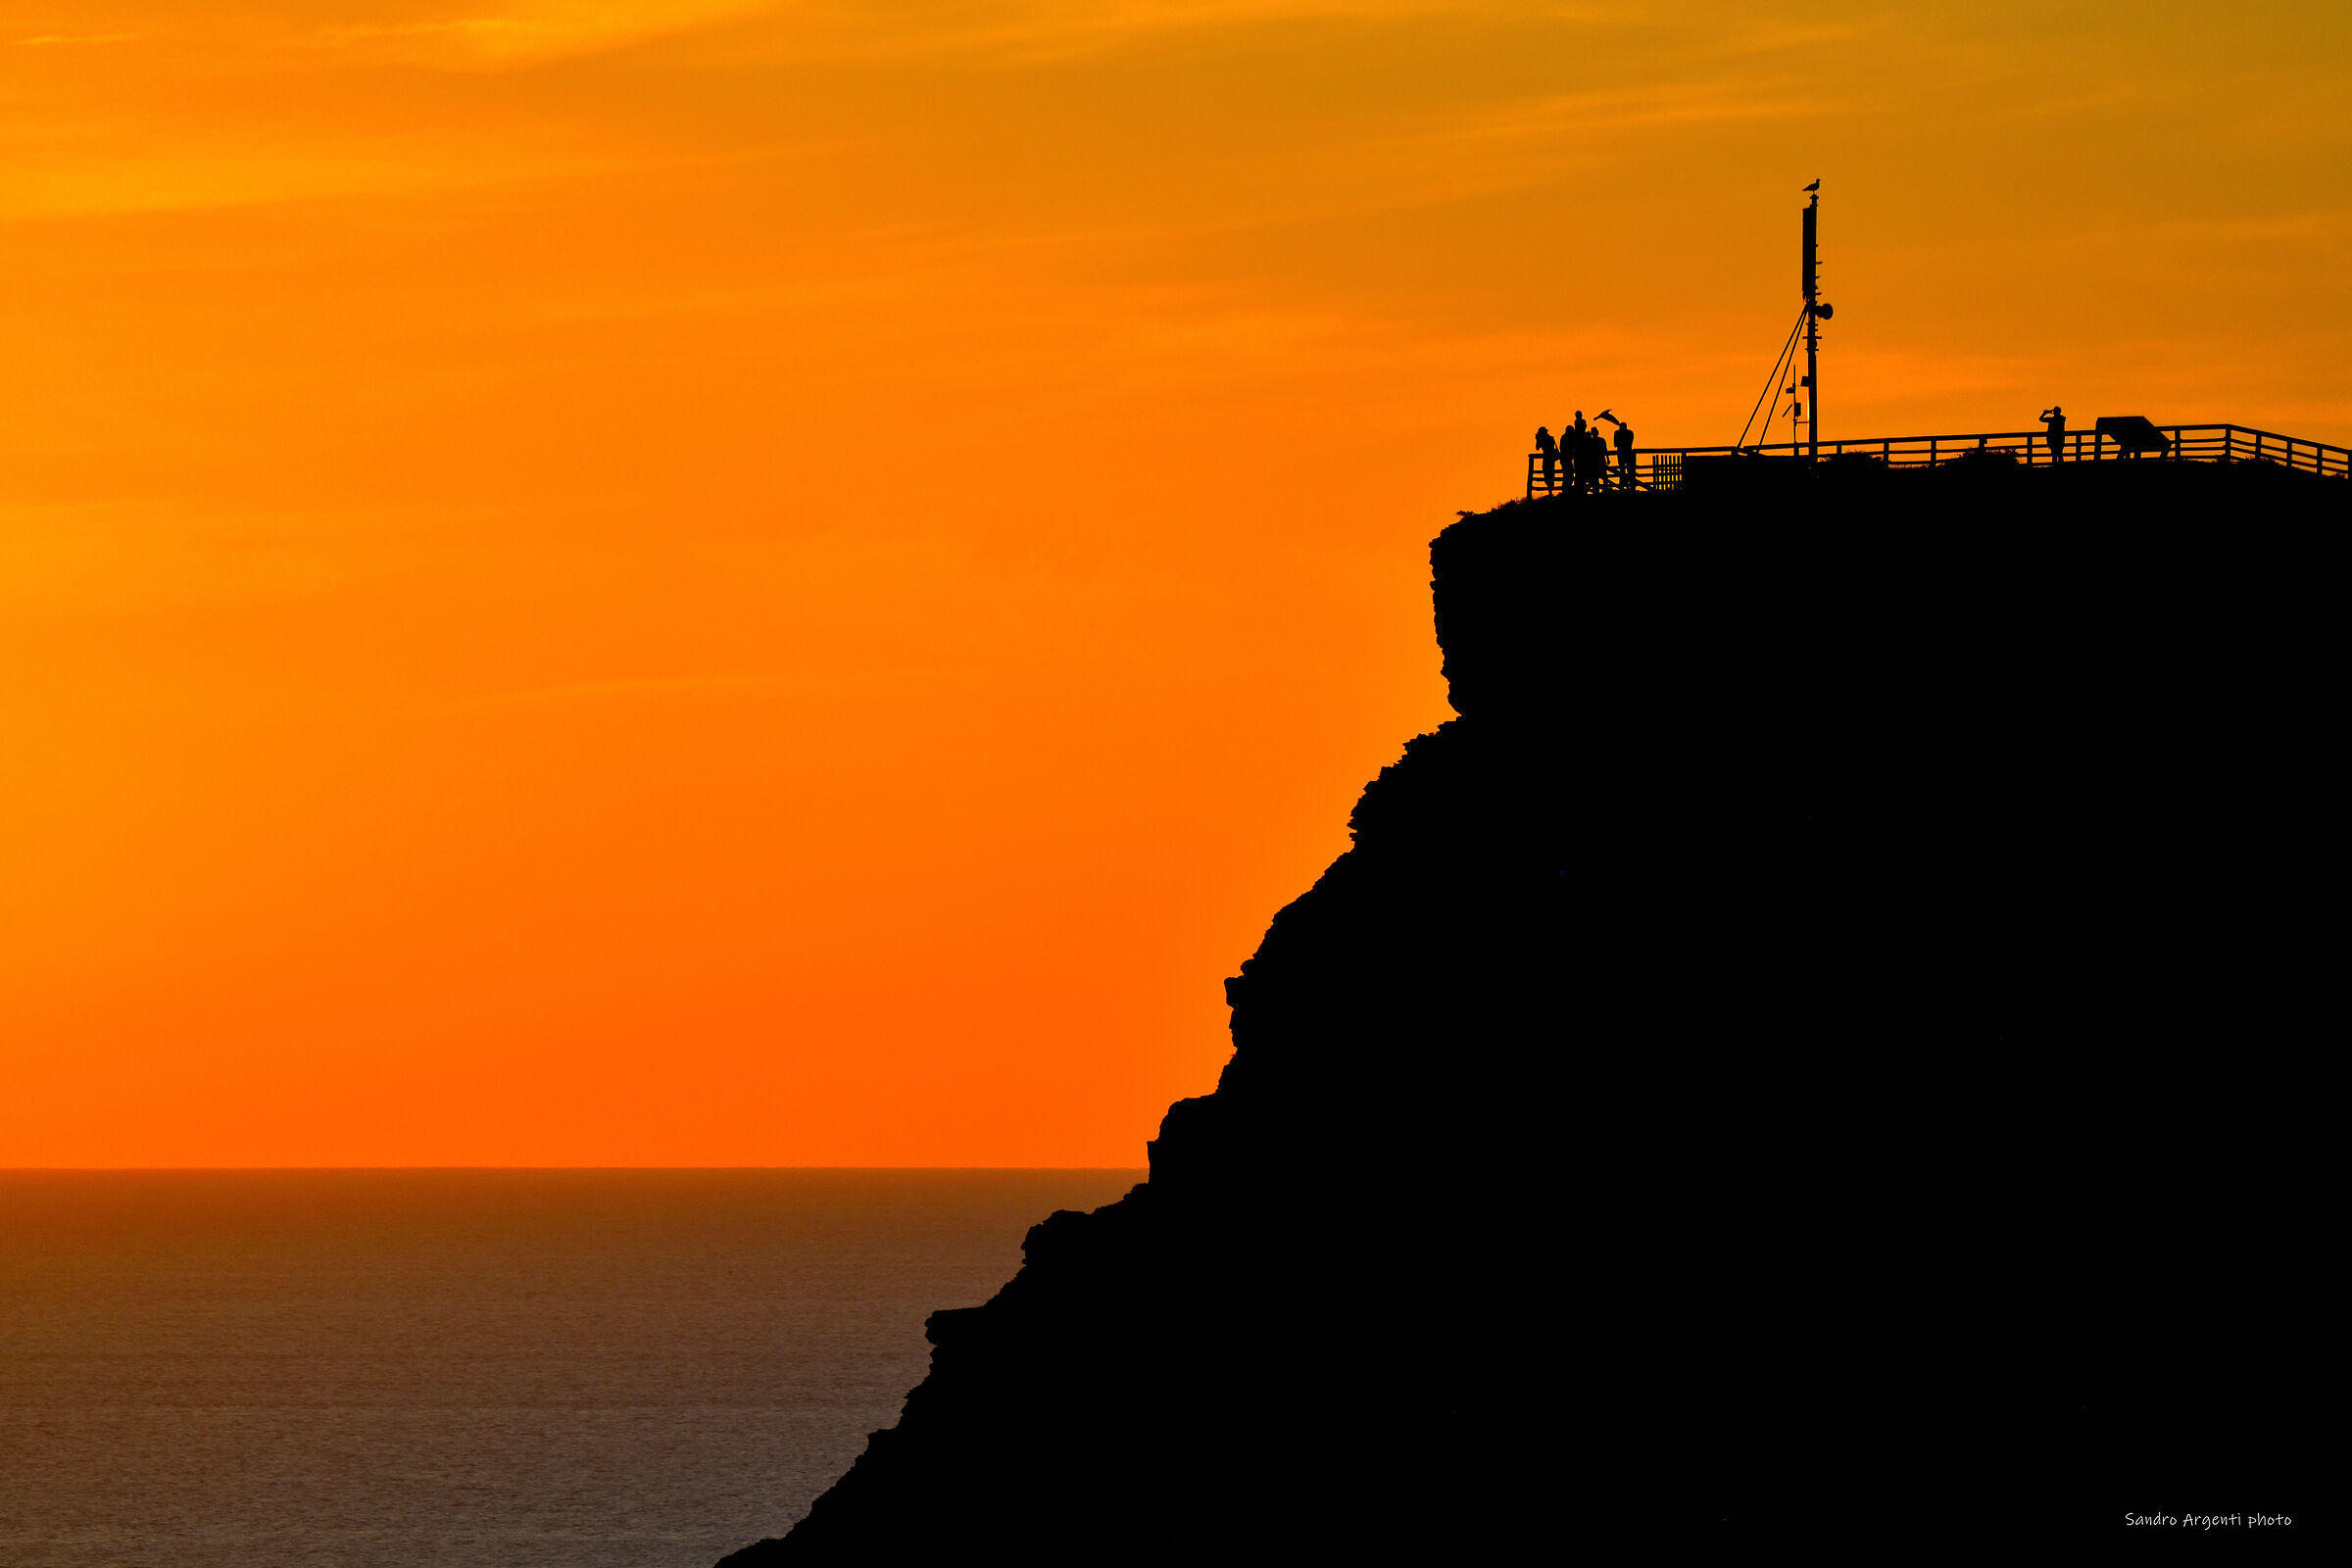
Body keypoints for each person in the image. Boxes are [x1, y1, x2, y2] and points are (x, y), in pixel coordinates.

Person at [1613, 418, 1637, 488]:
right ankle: (1630, 485)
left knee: (1622, 469)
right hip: (1628, 452)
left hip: (1621, 453)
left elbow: (1615, 444)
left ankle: (1623, 484)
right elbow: (1630, 443)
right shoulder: (1630, 433)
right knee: (1629, 469)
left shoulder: (1617, 433)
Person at [1535, 425, 1559, 492]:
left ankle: (1550, 491)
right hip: (1551, 459)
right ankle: (1550, 491)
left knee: (1547, 475)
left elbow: (1537, 448)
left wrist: (1538, 440)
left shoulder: (1544, 439)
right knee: (1551, 475)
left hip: (1547, 459)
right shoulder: (1550, 438)